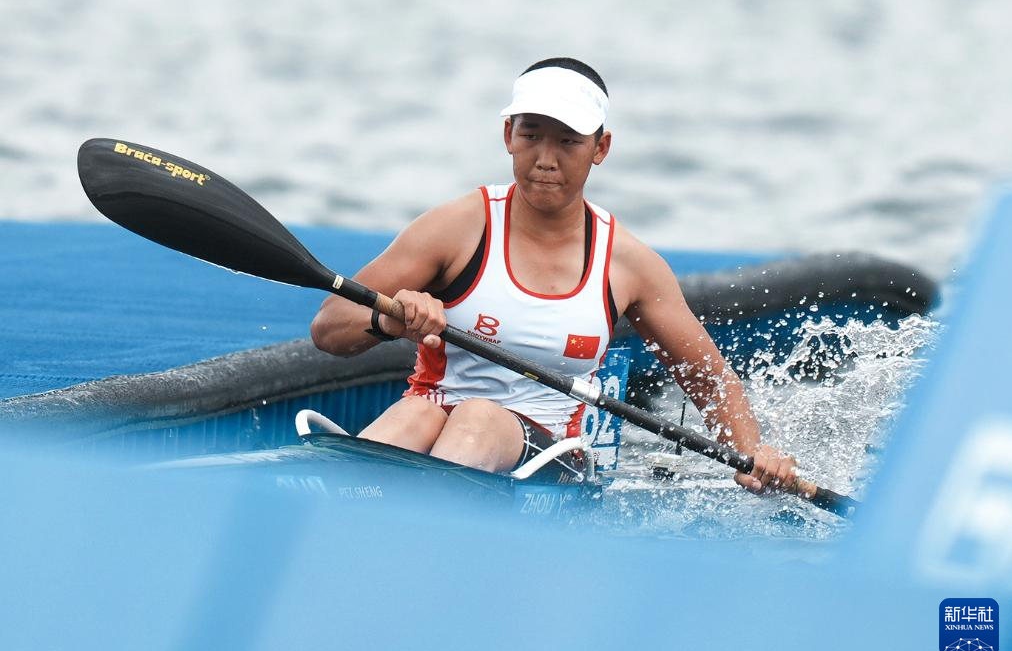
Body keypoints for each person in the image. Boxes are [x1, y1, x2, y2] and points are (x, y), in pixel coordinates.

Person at [311, 57, 797, 494]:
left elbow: (709, 379)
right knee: (416, 413)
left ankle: (402, 520)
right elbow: (328, 327)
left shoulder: (627, 264)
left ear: (600, 147)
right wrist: (386, 322)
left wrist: (754, 455)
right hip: (433, 419)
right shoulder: (454, 229)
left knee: (478, 418)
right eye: (531, 136)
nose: (546, 159)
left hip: (555, 461)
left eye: (567, 141)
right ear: (508, 135)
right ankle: (351, 506)